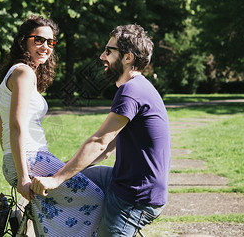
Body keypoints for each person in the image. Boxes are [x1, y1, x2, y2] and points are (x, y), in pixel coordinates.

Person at [31, 24, 171, 236]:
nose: (101, 56)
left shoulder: (131, 91)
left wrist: (55, 179)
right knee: (82, 179)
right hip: (126, 179)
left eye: (108, 51)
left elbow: (100, 142)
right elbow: (107, 148)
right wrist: (68, 169)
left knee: (65, 183)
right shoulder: (139, 86)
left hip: (135, 196)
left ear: (128, 57)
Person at [0, 15, 104, 236]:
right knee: (96, 197)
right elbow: (15, 125)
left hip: (23, 159)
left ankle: (26, 217)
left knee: (52, 207)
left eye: (51, 42)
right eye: (38, 39)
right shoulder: (24, 73)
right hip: (30, 158)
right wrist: (23, 175)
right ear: (23, 41)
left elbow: (1, 125)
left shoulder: (18, 73)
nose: (45, 46)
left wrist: (11, 158)